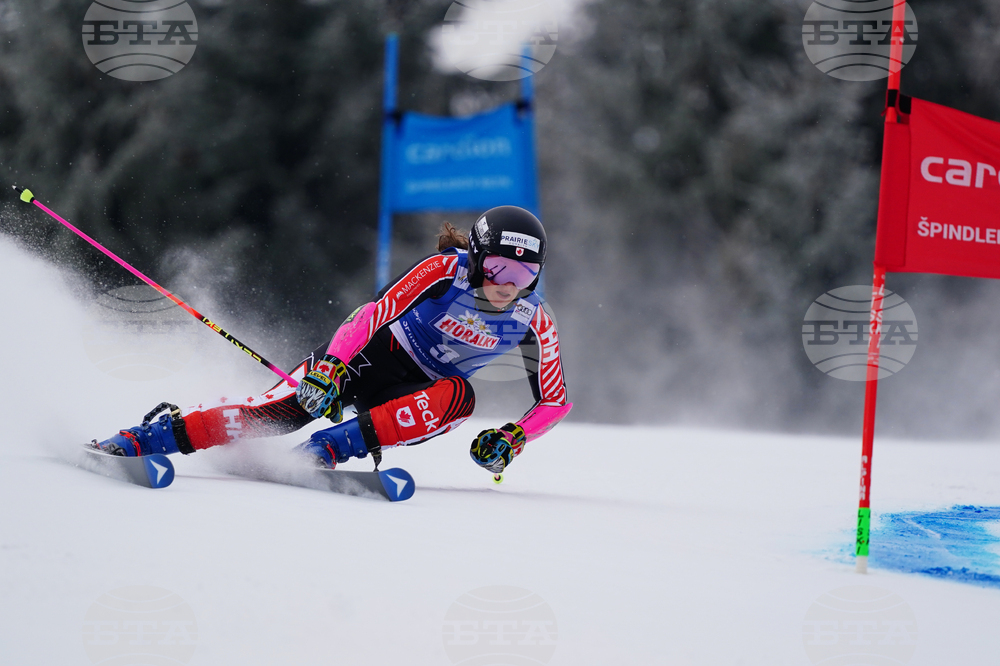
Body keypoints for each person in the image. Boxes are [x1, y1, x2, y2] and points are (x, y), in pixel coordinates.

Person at [90, 205, 572, 475]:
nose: (508, 284)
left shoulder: (533, 318)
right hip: (372, 356)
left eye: (525, 274)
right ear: (477, 257)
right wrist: (332, 367)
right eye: (499, 268)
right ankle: (143, 439)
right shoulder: (445, 270)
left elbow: (555, 401)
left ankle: (327, 450)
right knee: (276, 415)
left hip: (417, 393)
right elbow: (373, 313)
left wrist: (514, 438)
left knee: (461, 398)